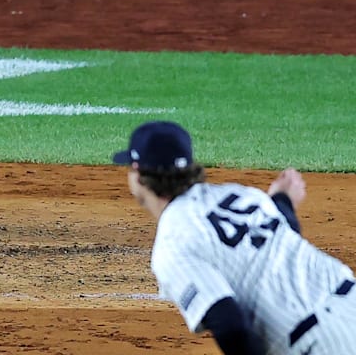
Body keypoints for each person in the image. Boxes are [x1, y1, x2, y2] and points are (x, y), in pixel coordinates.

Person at [112, 120, 356, 354]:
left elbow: (230, 326)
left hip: (317, 344)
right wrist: (281, 200)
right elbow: (285, 239)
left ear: (137, 172)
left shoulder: (173, 245)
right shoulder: (240, 194)